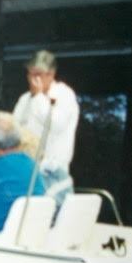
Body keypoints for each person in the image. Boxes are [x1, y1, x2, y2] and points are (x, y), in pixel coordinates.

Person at [13, 50, 79, 208]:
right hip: (26, 171)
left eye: (37, 75)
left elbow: (56, 125)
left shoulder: (65, 94)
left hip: (53, 173)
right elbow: (13, 130)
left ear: (51, 74)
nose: (32, 80)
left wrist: (38, 97)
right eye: (29, 74)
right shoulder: (24, 99)